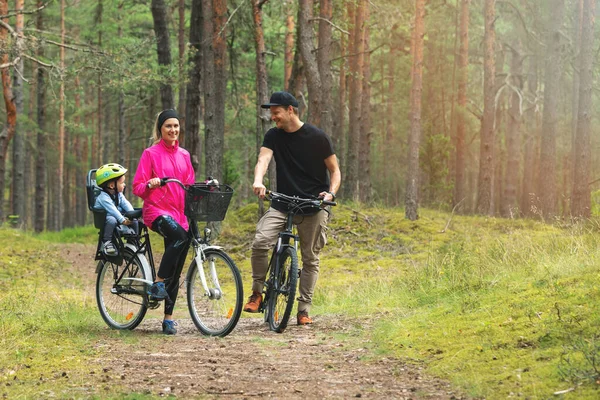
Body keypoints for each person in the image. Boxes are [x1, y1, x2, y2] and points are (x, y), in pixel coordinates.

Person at [243, 91, 341, 325]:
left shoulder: (317, 137)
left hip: (313, 205)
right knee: (260, 242)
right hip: (283, 202)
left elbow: (335, 171)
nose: (273, 117)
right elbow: (263, 160)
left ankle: (303, 310)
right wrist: (258, 180)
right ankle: (257, 293)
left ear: (290, 110)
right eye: (271, 114)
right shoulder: (273, 136)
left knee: (310, 258)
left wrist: (331, 193)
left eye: (276, 113)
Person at [132, 109, 195, 335]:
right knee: (179, 237)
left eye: (176, 126)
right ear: (160, 129)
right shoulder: (150, 154)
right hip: (156, 211)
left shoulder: (185, 155)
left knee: (176, 268)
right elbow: (137, 187)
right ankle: (158, 282)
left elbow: (189, 186)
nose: (173, 130)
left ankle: (168, 319)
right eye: (168, 126)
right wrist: (151, 184)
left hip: (180, 215)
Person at [95, 163, 137, 256]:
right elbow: (112, 209)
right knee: (112, 220)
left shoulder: (118, 194)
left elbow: (125, 203)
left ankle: (133, 240)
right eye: (122, 183)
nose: (124, 185)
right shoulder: (103, 197)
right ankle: (107, 242)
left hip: (117, 214)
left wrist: (132, 214)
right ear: (111, 185)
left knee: (135, 220)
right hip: (105, 217)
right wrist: (122, 220)